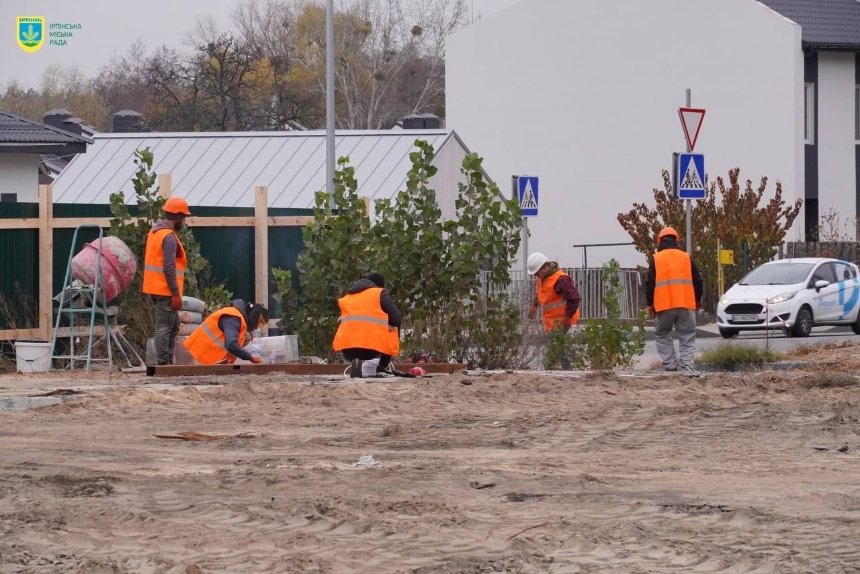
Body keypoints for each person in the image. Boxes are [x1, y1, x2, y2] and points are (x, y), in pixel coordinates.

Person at [645, 226, 703, 373]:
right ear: (676, 240)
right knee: (687, 336)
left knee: (662, 333)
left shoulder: (656, 259)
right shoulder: (686, 257)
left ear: (659, 241)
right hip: (686, 303)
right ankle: (687, 368)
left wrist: (649, 304)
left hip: (664, 305)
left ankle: (670, 366)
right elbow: (698, 280)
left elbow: (650, 283)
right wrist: (697, 300)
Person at [142, 196, 191, 365]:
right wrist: (175, 294)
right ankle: (164, 363)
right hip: (165, 289)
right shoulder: (168, 237)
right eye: (183, 217)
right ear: (177, 217)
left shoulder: (155, 232)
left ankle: (167, 361)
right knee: (164, 327)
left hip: (155, 287)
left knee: (173, 326)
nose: (184, 221)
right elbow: (169, 268)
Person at [332, 272, 402, 378]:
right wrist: (386, 325)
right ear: (379, 285)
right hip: (371, 349)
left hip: (347, 350)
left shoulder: (347, 297)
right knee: (393, 328)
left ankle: (356, 359)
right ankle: (382, 367)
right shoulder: (379, 293)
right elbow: (397, 319)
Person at [184, 299, 270, 365]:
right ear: (257, 316)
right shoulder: (233, 317)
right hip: (198, 355)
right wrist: (250, 358)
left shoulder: (238, 319)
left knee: (246, 336)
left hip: (207, 356)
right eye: (261, 323)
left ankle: (224, 362)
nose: (258, 327)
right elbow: (231, 345)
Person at [527, 252, 582, 332]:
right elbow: (541, 292)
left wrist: (567, 317)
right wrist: (534, 305)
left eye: (536, 273)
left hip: (568, 325)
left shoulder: (561, 279)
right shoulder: (541, 279)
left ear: (543, 267)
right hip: (553, 326)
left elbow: (574, 298)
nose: (536, 275)